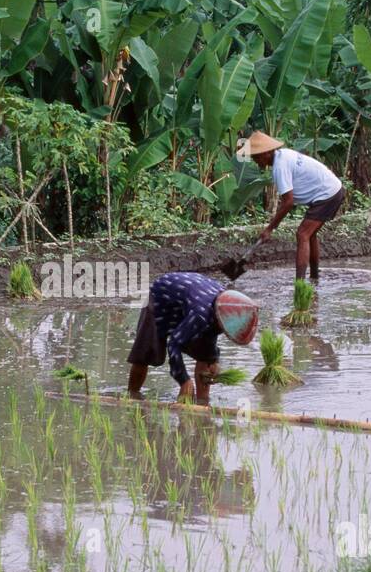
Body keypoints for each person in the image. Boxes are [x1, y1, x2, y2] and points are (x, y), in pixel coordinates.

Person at [126, 271, 260, 404]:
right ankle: (132, 395)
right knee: (145, 353)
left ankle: (202, 403)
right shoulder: (200, 314)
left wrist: (214, 359)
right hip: (160, 297)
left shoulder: (222, 307)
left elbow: (211, 334)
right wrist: (184, 380)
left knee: (206, 357)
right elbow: (174, 343)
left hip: (188, 301)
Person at [240, 131, 346, 281]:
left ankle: (300, 284)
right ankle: (314, 277)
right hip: (331, 190)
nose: (255, 161)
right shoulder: (283, 154)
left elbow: (288, 202)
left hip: (328, 194)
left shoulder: (279, 167)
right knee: (310, 234)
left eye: (256, 157)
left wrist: (270, 228)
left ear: (266, 153)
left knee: (302, 234)